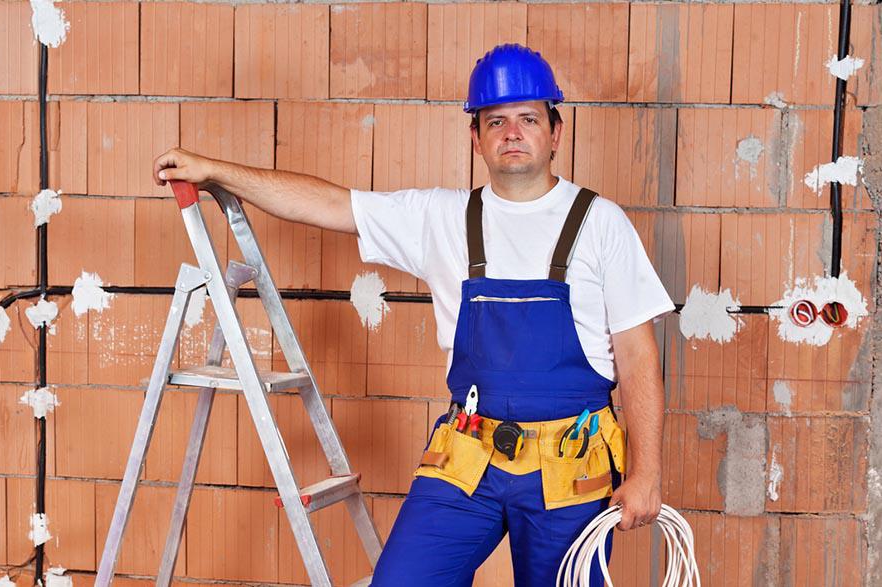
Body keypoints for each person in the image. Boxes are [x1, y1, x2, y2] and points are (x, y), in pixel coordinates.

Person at [154, 44, 674, 586]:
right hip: (470, 453)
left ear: (555, 132)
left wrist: (645, 474)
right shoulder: (443, 217)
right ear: (476, 138)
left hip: (572, 467)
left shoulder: (601, 224)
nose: (512, 133)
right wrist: (216, 171)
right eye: (496, 121)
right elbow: (330, 204)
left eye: (528, 118)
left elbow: (638, 358)